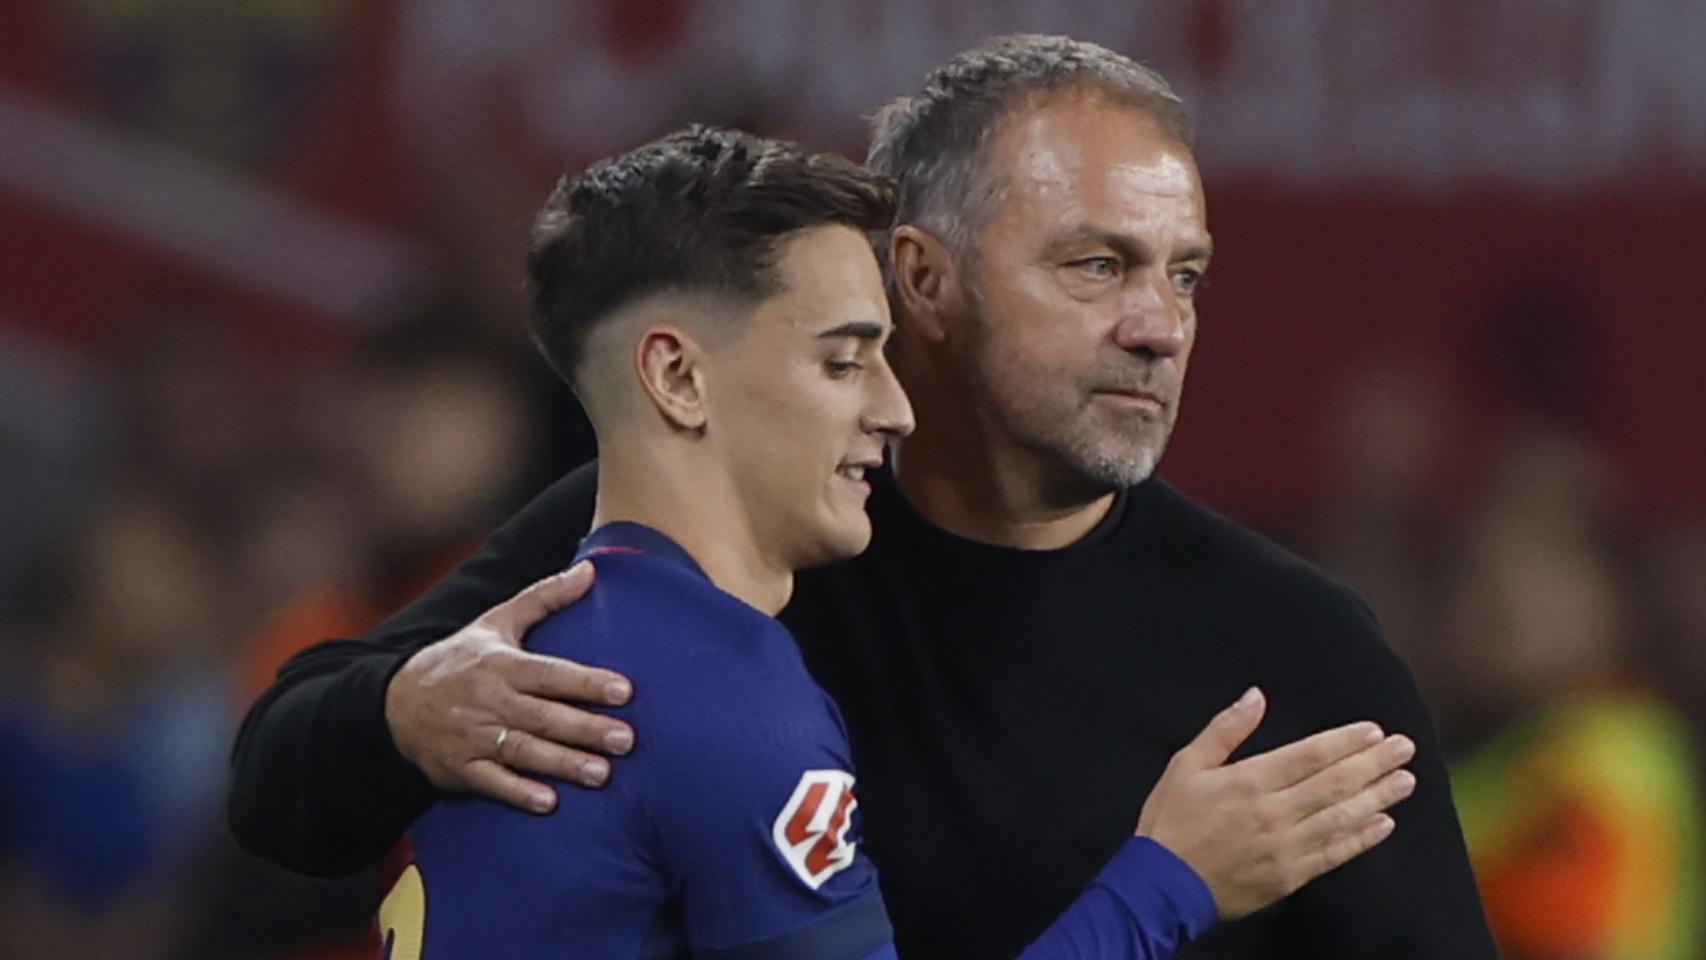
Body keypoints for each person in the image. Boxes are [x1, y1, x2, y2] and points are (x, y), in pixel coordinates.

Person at [230, 35, 1497, 958]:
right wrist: (405, 708)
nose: (1158, 327)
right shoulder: (676, 550)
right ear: (919, 280)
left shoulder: (1297, 659)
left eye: (1185, 276)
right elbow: (281, 787)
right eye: (1096, 265)